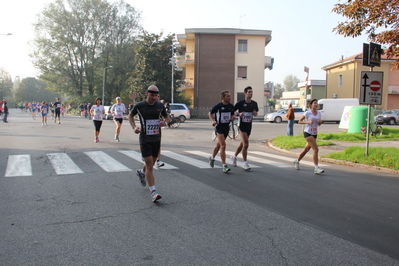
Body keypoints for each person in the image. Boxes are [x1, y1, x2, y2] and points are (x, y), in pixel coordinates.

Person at [129, 85, 169, 202]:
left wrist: (164, 123)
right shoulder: (139, 106)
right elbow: (130, 116)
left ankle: (142, 172)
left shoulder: (160, 105)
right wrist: (134, 127)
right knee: (150, 165)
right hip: (145, 138)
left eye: (156, 95)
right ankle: (153, 191)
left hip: (156, 138)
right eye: (152, 95)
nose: (154, 98)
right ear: (147, 93)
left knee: (152, 161)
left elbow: (167, 118)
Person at [230, 86, 259, 171]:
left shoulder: (254, 103)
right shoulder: (240, 103)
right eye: (249, 92)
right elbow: (233, 112)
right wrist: (239, 114)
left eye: (252, 92)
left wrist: (254, 113)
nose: (251, 93)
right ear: (245, 93)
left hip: (249, 125)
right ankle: (245, 163)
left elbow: (256, 114)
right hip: (241, 125)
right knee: (246, 144)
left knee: (242, 144)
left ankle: (234, 156)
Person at [293, 99, 324, 174]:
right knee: (316, 150)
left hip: (314, 133)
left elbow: (318, 124)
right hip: (308, 133)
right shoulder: (307, 113)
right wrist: (308, 122)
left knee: (306, 149)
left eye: (317, 103)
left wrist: (320, 122)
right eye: (315, 103)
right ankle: (316, 168)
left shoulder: (319, 113)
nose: (316, 105)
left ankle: (297, 161)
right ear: (311, 105)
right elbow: (299, 121)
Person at [208, 90, 236, 173]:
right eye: (228, 96)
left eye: (230, 96)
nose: (229, 97)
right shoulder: (218, 106)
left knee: (219, 145)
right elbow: (210, 113)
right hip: (219, 127)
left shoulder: (231, 106)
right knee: (223, 145)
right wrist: (212, 121)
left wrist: (233, 117)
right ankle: (224, 166)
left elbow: (233, 113)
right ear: (222, 97)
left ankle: (212, 158)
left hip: (226, 127)